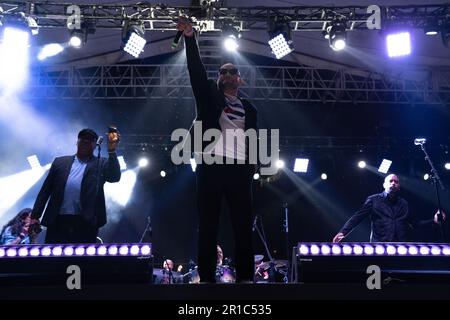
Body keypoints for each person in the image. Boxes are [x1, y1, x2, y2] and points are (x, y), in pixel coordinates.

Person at [177, 17, 257, 283]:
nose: (225, 75)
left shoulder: (250, 109)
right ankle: (207, 278)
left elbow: (254, 139)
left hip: (239, 170)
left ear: (239, 78)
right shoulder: (209, 96)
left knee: (243, 226)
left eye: (231, 71)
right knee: (208, 225)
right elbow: (196, 71)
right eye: (221, 72)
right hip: (211, 166)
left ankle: (246, 277)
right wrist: (190, 38)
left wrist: (254, 164)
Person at [31, 128, 121, 244]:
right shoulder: (60, 162)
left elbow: (114, 177)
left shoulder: (101, 163)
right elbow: (45, 190)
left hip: (85, 220)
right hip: (58, 219)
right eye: (82, 139)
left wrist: (112, 151)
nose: (85, 142)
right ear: (77, 142)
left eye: (89, 140)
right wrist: (35, 216)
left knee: (83, 258)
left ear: (95, 145)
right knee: (55, 257)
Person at [333, 174, 445, 243]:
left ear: (399, 186)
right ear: (384, 185)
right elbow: (358, 217)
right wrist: (343, 232)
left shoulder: (404, 203)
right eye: (390, 181)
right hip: (379, 246)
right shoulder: (373, 200)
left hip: (400, 247)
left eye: (396, 181)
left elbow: (415, 223)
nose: (393, 183)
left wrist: (433, 220)